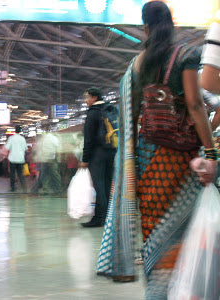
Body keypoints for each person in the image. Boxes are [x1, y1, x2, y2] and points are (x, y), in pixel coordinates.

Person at [95, 2, 217, 298]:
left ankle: (157, 290)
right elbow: (195, 104)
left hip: (144, 164)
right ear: (171, 24)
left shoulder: (135, 66)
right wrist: (211, 153)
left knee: (154, 234)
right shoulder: (187, 55)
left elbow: (131, 119)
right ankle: (182, 289)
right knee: (183, 234)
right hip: (179, 159)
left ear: (145, 28)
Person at [80, 88, 116, 227]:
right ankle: (108, 217)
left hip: (97, 154)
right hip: (111, 151)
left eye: (87, 97)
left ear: (94, 98)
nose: (85, 100)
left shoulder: (93, 113)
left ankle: (98, 218)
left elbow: (88, 139)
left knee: (99, 187)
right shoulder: (111, 109)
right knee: (107, 186)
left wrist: (85, 159)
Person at [5, 125, 27, 192]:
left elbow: (7, 147)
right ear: (20, 131)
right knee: (20, 173)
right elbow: (25, 148)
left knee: (12, 173)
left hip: (13, 158)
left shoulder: (11, 138)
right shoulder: (22, 139)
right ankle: (24, 187)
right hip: (20, 159)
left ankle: (13, 187)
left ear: (15, 130)